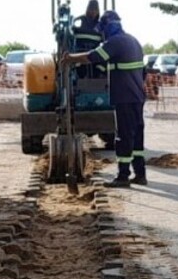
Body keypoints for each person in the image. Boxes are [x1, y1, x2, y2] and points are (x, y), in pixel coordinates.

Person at [62, 10, 146, 188]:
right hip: (137, 96)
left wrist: (69, 59)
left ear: (108, 27)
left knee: (123, 137)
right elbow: (142, 72)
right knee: (136, 137)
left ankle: (123, 176)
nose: (101, 34)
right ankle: (140, 174)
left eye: (102, 30)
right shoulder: (133, 41)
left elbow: (92, 57)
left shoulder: (115, 43)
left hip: (124, 97)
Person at [72, 0, 103, 79]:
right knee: (80, 68)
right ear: (87, 9)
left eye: (95, 9)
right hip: (80, 54)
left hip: (95, 55)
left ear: (98, 11)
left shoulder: (100, 25)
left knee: (100, 66)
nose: (93, 12)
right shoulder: (78, 22)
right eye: (91, 9)